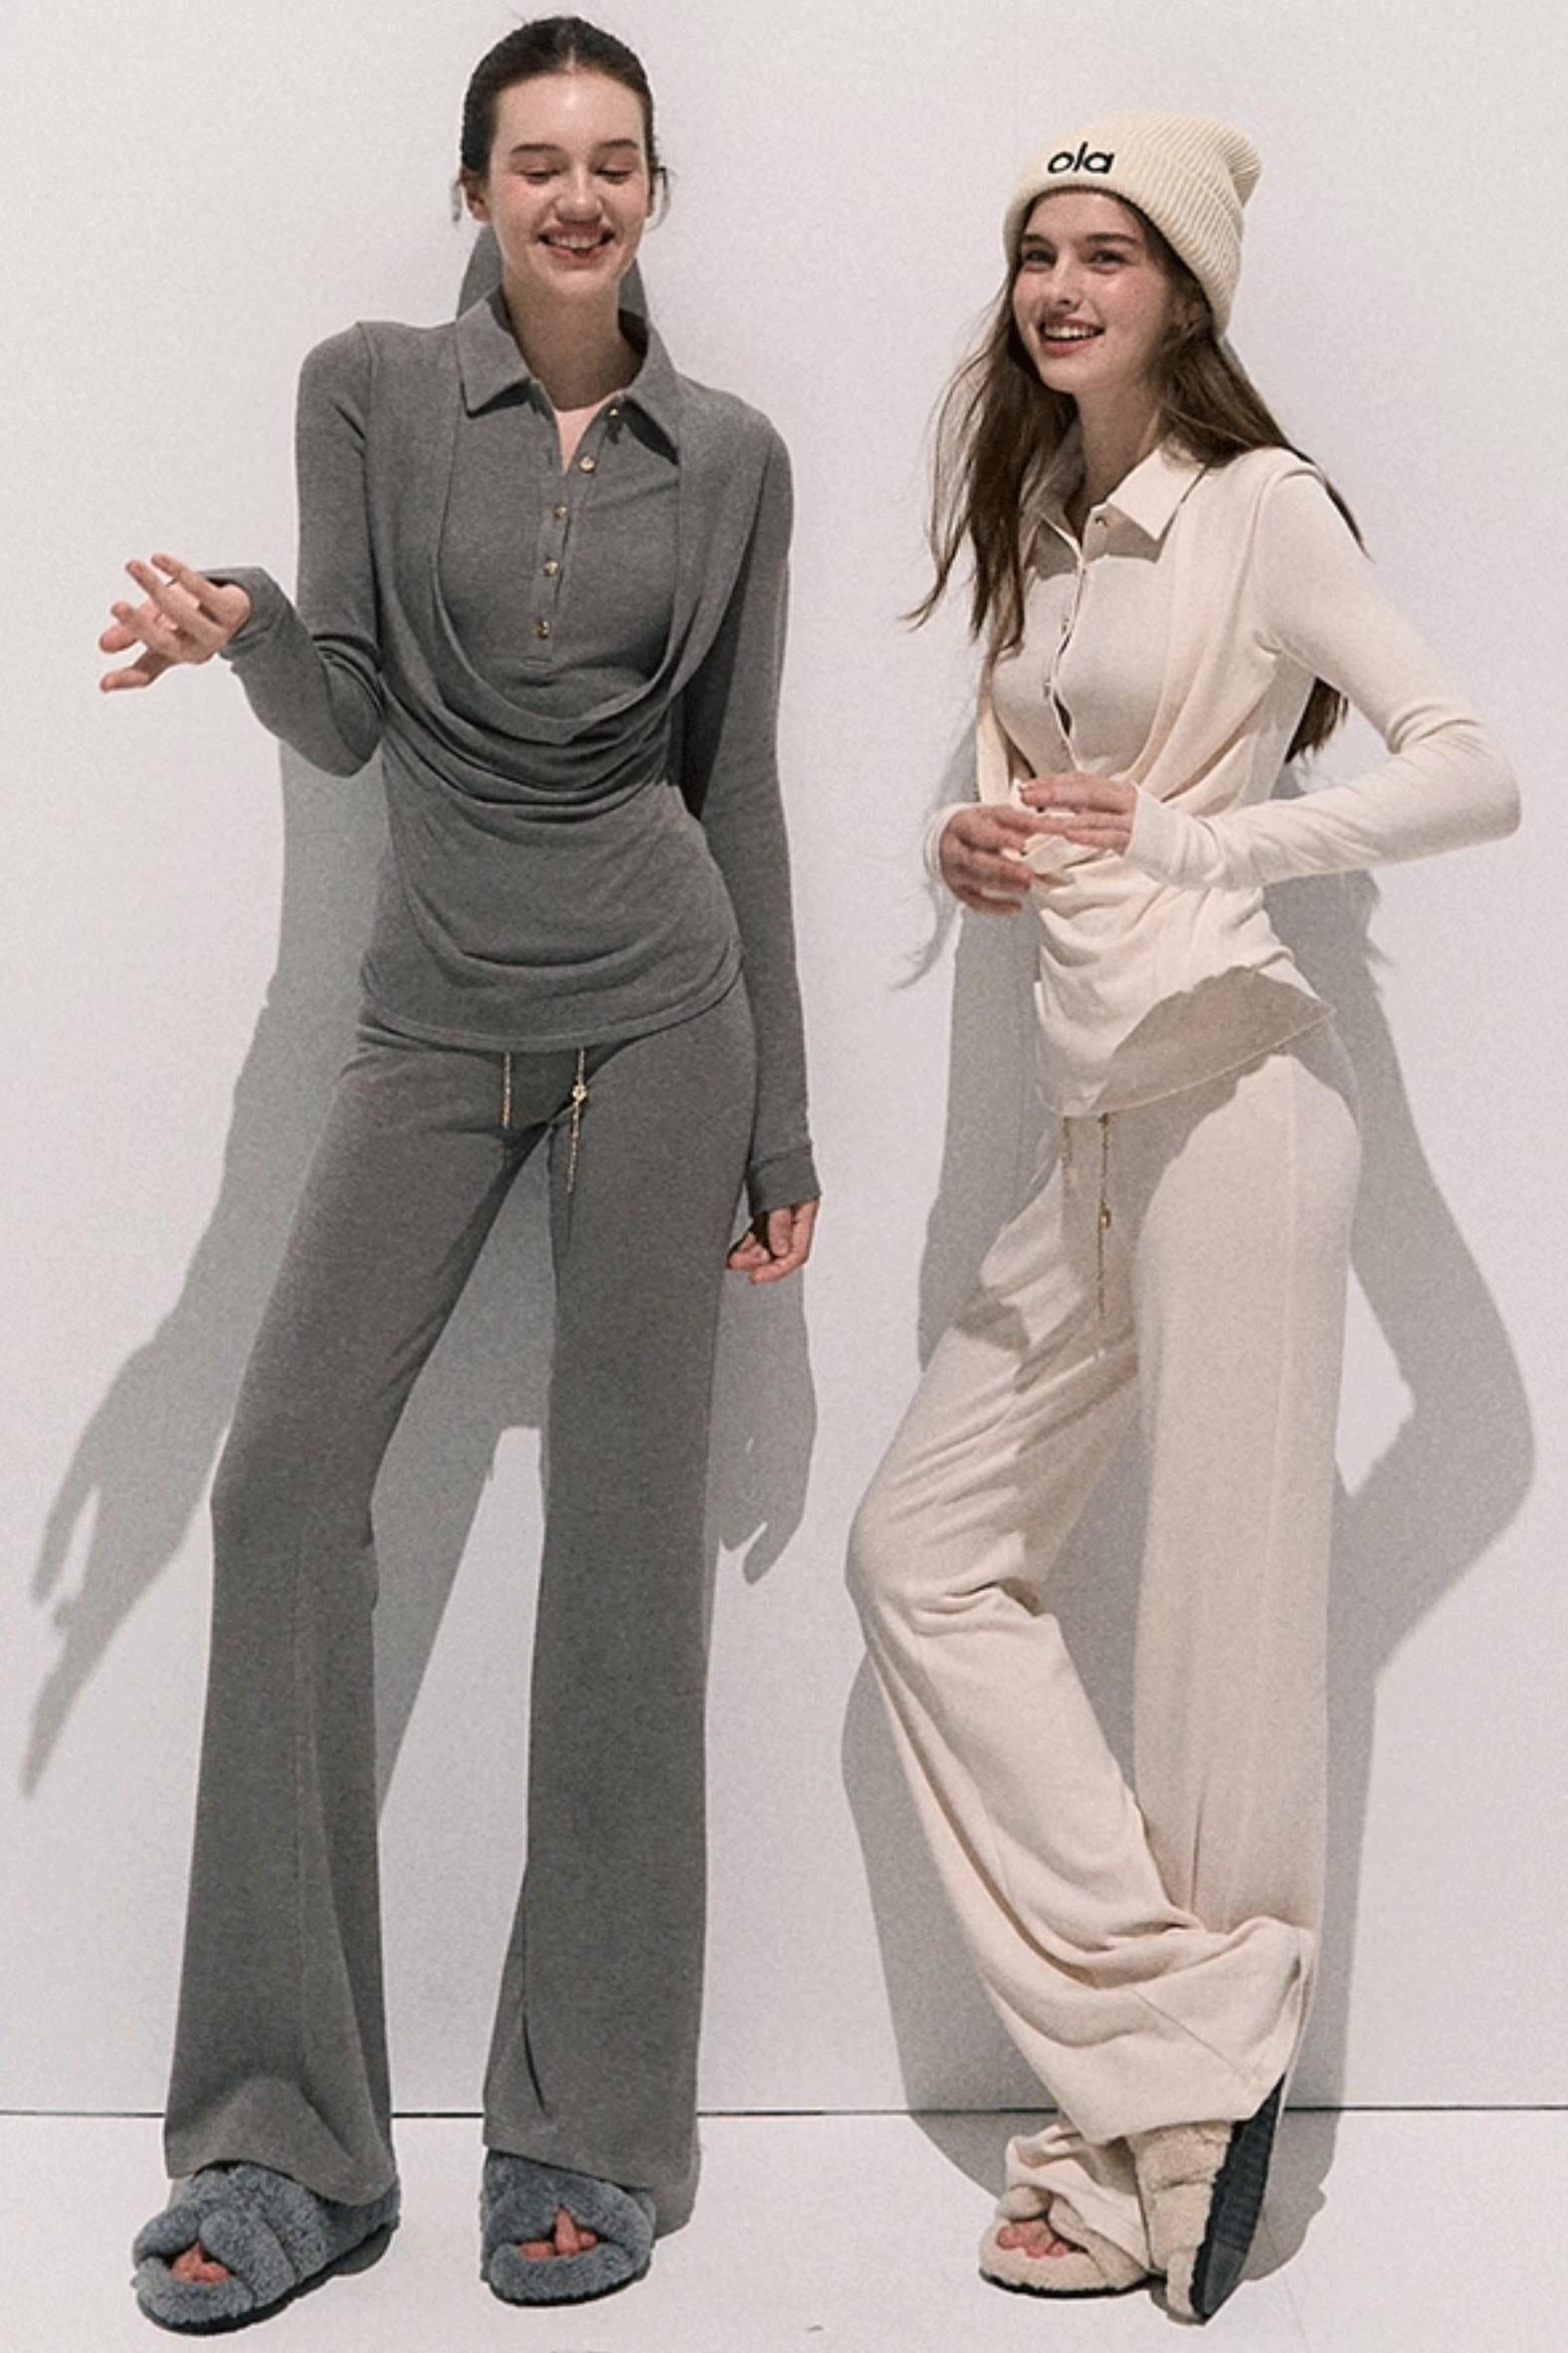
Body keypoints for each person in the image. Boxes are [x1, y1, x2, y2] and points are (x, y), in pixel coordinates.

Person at [104, 16, 819, 2330]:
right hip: (427, 1016)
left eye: (614, 160)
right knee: (279, 1483)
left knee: (620, 1561)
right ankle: (283, 2141)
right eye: (537, 161)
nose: (577, 194)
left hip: (664, 1019)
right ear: (475, 187)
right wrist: (244, 627)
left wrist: (782, 1116)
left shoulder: (732, 456)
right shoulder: (370, 393)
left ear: (652, 189)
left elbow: (734, 779)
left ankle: (588, 2129)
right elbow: (347, 715)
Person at [848, 111, 1515, 2324]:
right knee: (922, 1557)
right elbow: (1054, 790)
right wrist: (972, 842)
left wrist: (1213, 844)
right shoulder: (1045, 519)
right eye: (1037, 249)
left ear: (1184, 291)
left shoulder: (1259, 505)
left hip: (1237, 1097)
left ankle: (1171, 2135)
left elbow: (1469, 764)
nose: (1058, 285)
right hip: (1094, 1119)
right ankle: (1180, 2045)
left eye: (1107, 252)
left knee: (1216, 1646)